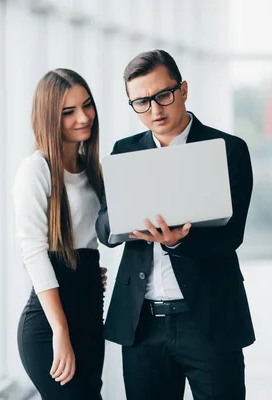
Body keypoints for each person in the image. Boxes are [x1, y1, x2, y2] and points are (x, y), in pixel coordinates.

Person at [97, 50, 255, 400]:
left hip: (208, 319)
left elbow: (232, 235)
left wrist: (176, 242)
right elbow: (104, 228)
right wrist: (120, 216)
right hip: (143, 322)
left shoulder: (227, 149)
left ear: (183, 89)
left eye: (163, 95)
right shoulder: (124, 152)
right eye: (141, 102)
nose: (155, 110)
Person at [14, 68, 107, 399]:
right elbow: (33, 253)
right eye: (68, 112)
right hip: (50, 326)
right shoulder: (36, 170)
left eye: (86, 105)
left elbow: (88, 237)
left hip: (90, 313)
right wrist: (60, 331)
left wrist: (86, 270)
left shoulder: (92, 169)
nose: (83, 117)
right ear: (49, 116)